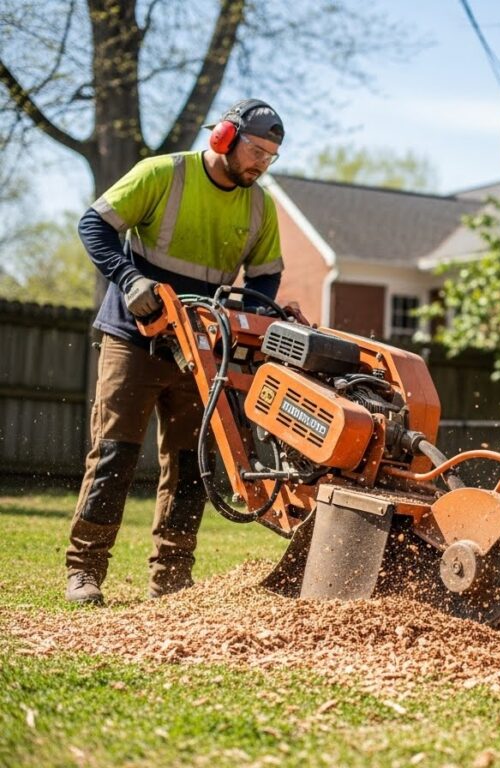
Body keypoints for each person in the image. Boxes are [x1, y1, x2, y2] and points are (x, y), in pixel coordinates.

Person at [65, 99, 286, 605]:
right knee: (115, 453)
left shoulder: (260, 206)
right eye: (256, 150)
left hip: (203, 348)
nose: (261, 164)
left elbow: (266, 274)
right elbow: (93, 224)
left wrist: (247, 313)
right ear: (224, 138)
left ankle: (171, 577)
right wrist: (128, 278)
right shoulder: (164, 173)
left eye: (270, 157)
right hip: (134, 335)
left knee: (191, 464)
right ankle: (85, 569)